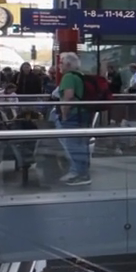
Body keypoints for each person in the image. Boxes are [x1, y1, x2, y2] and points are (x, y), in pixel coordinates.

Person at [54, 52, 93, 186]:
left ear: (68, 64)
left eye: (61, 63)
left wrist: (64, 114)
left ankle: (79, 173)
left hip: (72, 115)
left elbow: (68, 96)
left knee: (72, 145)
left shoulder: (68, 77)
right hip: (83, 114)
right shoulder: (80, 76)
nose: (59, 65)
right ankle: (82, 172)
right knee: (81, 144)